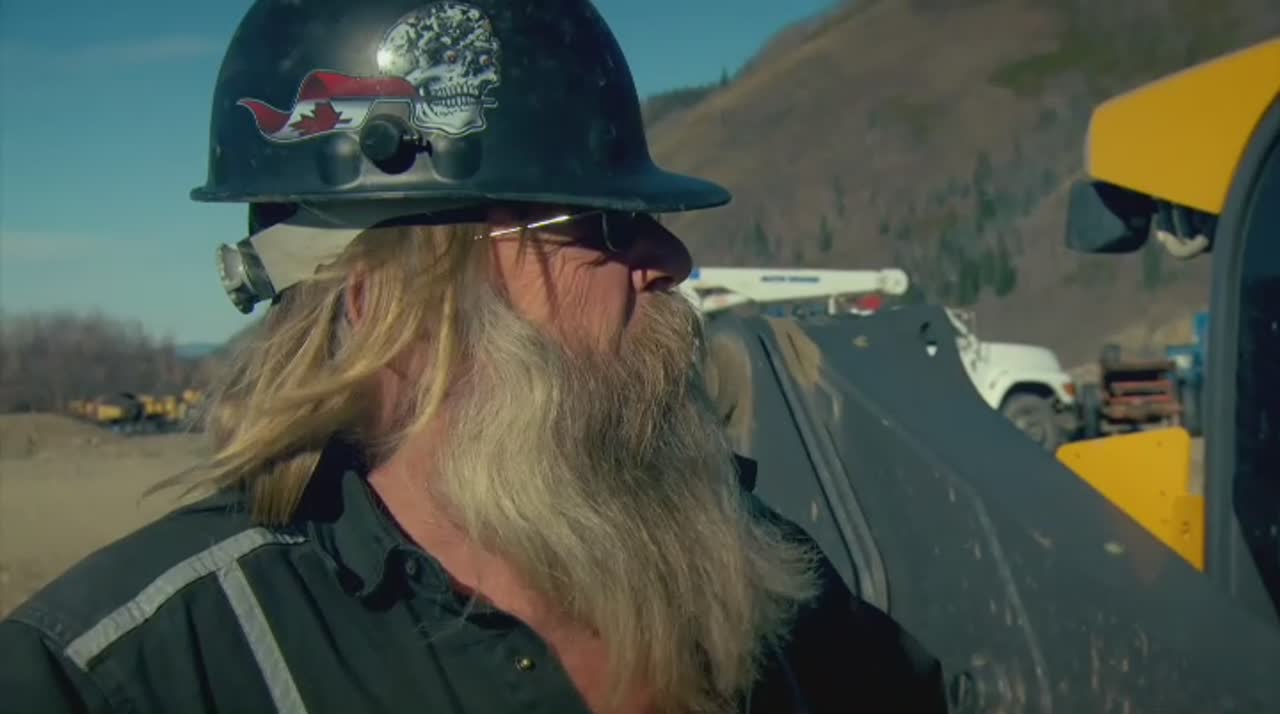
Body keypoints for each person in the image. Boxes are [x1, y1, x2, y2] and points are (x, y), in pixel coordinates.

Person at [0, 1, 950, 712]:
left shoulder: (752, 563)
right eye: (604, 223)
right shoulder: (131, 671)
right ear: (393, 295)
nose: (671, 259)